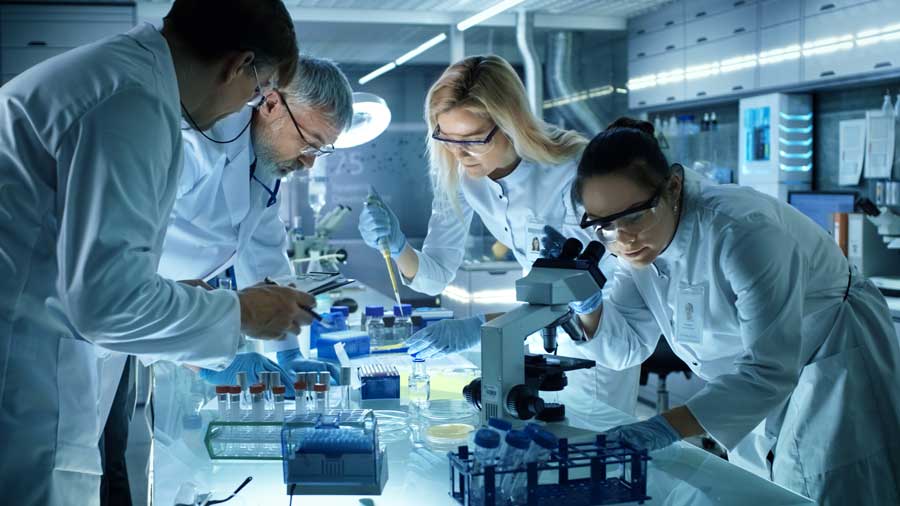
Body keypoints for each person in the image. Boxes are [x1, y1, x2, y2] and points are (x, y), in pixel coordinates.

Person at [0, 1, 315, 505]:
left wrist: (181, 306)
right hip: (24, 383)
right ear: (239, 65)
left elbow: (92, 276)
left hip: (41, 356)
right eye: (257, 91)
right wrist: (241, 313)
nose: (244, 108)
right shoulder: (133, 102)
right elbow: (108, 306)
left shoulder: (122, 78)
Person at [570, 117, 900, 505]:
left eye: (634, 216)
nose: (621, 239)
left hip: (830, 355)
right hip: (750, 382)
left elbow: (769, 369)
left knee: (827, 486)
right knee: (762, 488)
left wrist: (663, 428)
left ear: (673, 186)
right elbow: (626, 348)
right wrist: (588, 306)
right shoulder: (638, 249)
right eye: (604, 226)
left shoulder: (741, 232)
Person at [357, 55, 639, 415]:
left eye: (474, 140)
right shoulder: (463, 174)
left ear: (511, 124)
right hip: (533, 332)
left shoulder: (573, 172)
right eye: (446, 138)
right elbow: (434, 276)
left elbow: (580, 291)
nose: (459, 154)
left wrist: (477, 328)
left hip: (600, 335)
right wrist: (397, 246)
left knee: (594, 451)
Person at [161, 55, 354, 387]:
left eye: (319, 151)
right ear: (272, 104)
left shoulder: (265, 167)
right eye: (309, 143)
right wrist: (204, 363)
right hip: (140, 323)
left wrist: (288, 351)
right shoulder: (194, 144)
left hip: (169, 325)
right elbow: (132, 280)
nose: (309, 162)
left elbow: (264, 254)